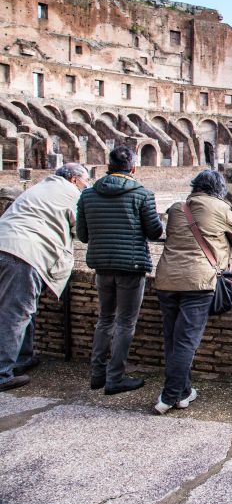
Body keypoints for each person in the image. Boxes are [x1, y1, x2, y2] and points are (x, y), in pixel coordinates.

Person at [152, 170, 232, 414]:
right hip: (198, 282)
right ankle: (169, 395)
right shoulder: (219, 207)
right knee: (186, 342)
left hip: (166, 280)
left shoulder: (176, 208)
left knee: (172, 340)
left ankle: (183, 393)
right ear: (219, 189)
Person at [78, 146, 163, 395]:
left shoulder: (87, 195)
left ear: (108, 167)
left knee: (105, 319)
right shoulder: (142, 194)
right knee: (125, 322)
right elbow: (155, 232)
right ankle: (115, 378)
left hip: (102, 265)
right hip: (131, 265)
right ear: (134, 168)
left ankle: (97, 375)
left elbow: (82, 235)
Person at [0, 164, 89, 391]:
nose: (86, 186)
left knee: (20, 310)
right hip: (23, 253)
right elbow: (82, 231)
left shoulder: (38, 188)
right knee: (16, 313)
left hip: (6, 243)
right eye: (85, 181)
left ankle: (23, 357)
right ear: (74, 180)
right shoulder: (72, 194)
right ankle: (2, 373)